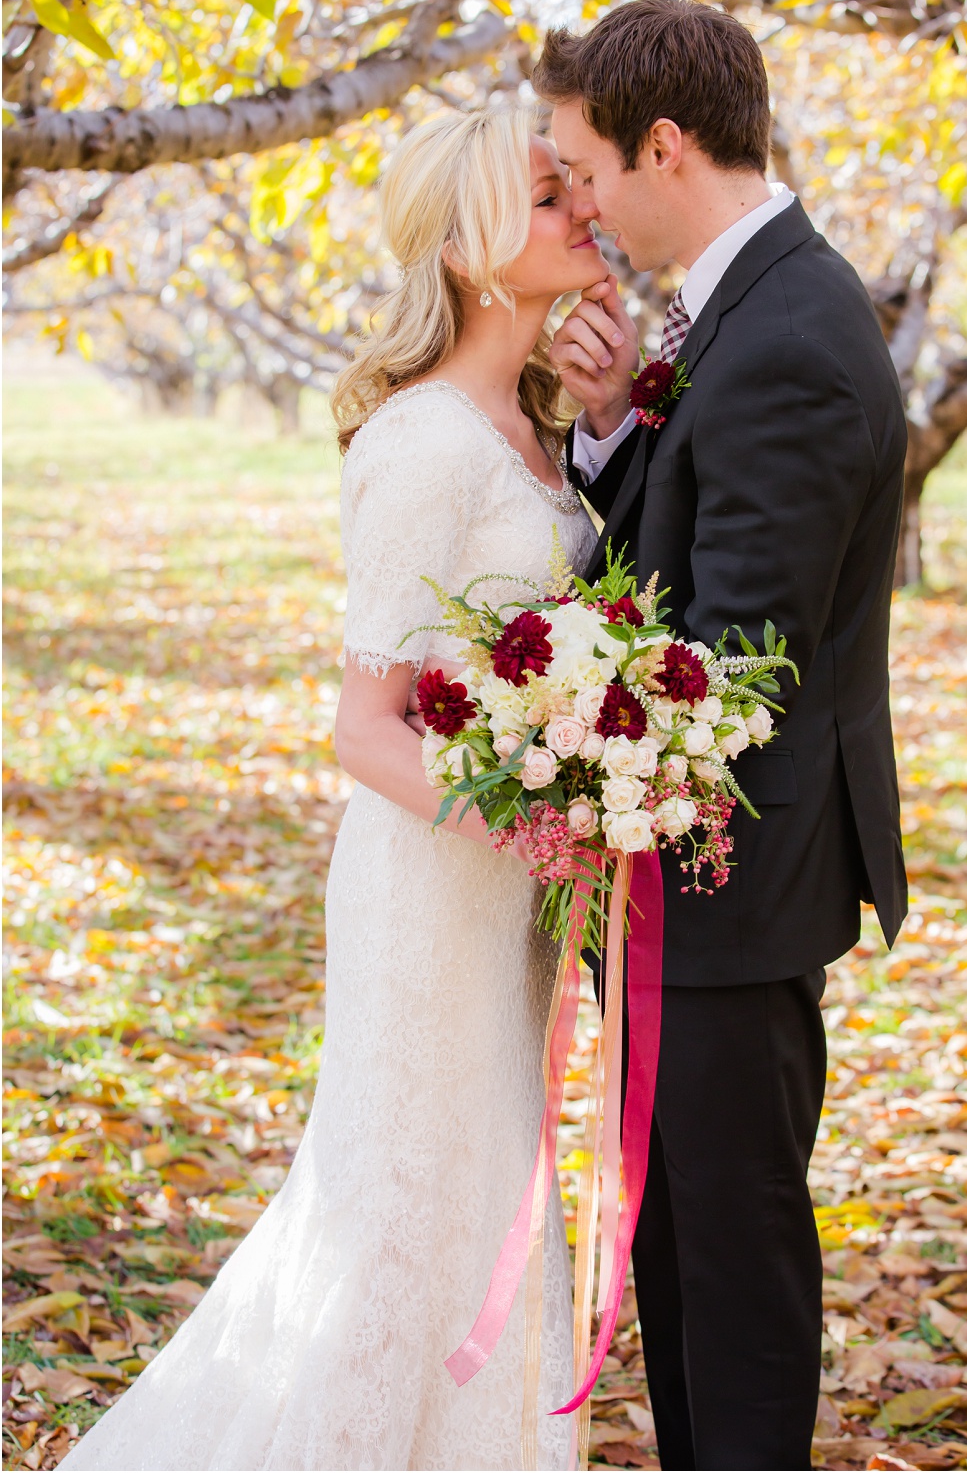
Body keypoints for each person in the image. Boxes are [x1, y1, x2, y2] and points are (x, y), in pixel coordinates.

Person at [61, 107, 599, 1472]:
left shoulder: (529, 426)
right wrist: (530, 817)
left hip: (506, 891)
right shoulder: (423, 443)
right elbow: (363, 726)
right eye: (549, 195)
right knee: (399, 1210)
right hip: (429, 891)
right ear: (480, 249)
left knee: (484, 1198)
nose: (582, 207)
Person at [537, 0, 908, 1472]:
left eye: (586, 167)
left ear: (666, 144)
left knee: (736, 1268)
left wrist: (562, 723)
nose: (581, 200)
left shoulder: (796, 337)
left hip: (732, 887)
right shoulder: (739, 307)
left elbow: (736, 660)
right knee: (681, 1246)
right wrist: (624, 422)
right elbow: (686, 555)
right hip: (686, 881)